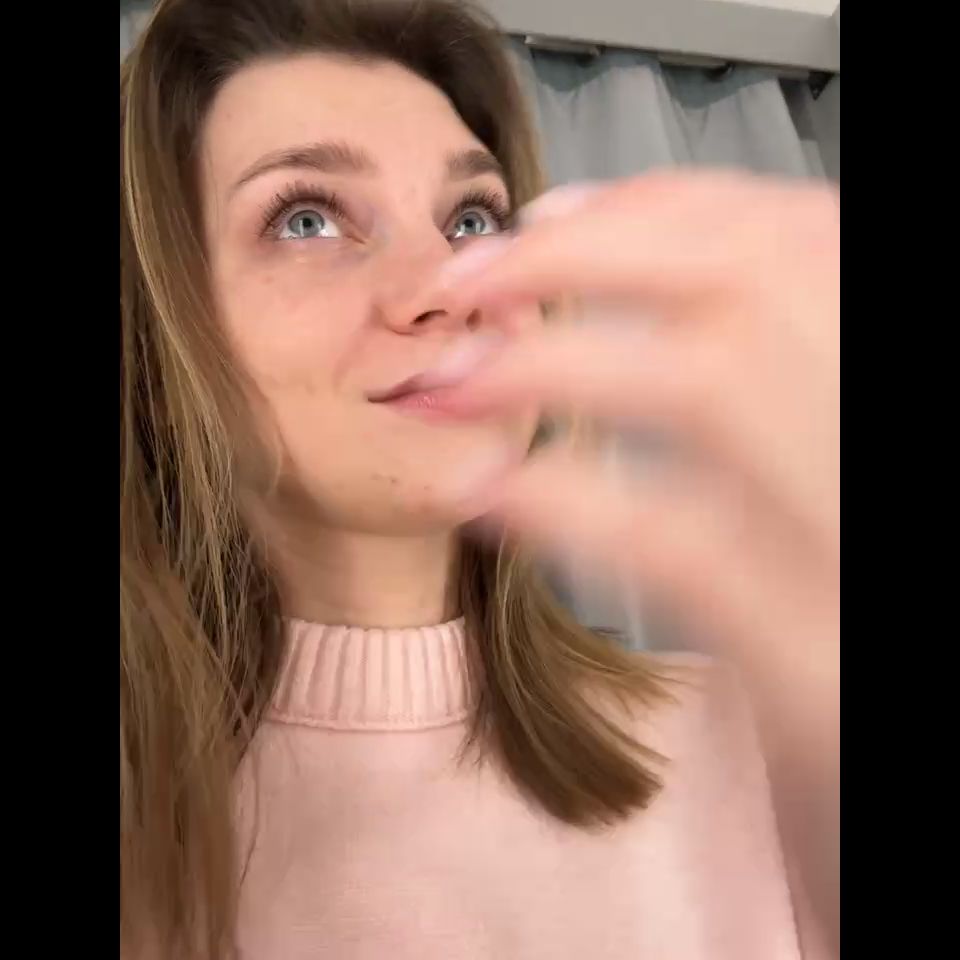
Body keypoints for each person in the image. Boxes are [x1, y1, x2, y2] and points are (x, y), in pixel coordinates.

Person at [119, 1, 840, 957]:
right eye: (307, 218)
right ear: (160, 334)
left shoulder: (772, 743)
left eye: (471, 220)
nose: (447, 287)